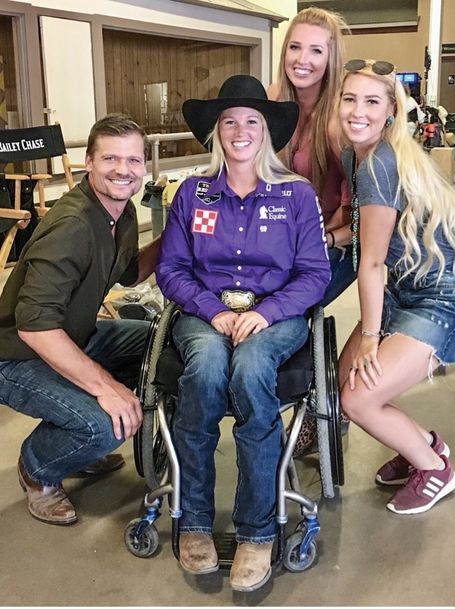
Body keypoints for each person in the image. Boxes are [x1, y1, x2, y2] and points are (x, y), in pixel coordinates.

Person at [156, 75, 330, 591]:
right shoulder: (192, 193)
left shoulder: (296, 196)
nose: (240, 130)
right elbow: (171, 270)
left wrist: (269, 311)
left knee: (253, 369)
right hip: (204, 315)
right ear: (216, 132)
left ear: (265, 132)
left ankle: (257, 532)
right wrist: (211, 310)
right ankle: (193, 524)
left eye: (251, 121)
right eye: (229, 121)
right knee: (205, 370)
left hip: (274, 318)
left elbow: (316, 274)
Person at [0, 113, 161, 525]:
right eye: (110, 159)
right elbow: (34, 326)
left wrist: (175, 235)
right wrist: (105, 386)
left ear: (144, 165)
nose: (123, 170)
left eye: (133, 160)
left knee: (155, 341)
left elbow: (128, 274)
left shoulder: (119, 211)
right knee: (108, 424)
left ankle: (76, 440)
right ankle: (38, 468)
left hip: (73, 335)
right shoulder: (72, 225)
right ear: (89, 162)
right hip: (15, 356)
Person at [337, 59, 455, 514]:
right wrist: (332, 234)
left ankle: (435, 470)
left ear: (391, 109)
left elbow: (372, 262)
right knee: (345, 378)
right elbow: (372, 227)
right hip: (407, 284)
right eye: (350, 98)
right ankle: (423, 442)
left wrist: (371, 338)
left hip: (442, 294)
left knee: (358, 397)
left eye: (372, 101)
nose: (358, 111)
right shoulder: (352, 154)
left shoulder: (380, 164)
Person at [267, 7, 353, 455]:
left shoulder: (339, 119)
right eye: (295, 47)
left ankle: (319, 413)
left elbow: (365, 207)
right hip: (283, 242)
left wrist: (329, 240)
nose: (303, 59)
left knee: (287, 314)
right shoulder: (273, 100)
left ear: (330, 58)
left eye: (315, 50)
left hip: (334, 244)